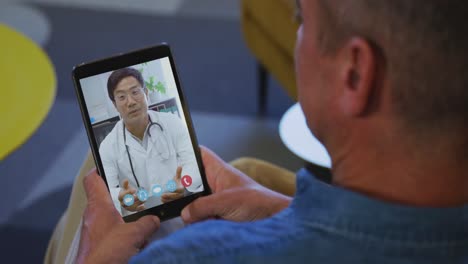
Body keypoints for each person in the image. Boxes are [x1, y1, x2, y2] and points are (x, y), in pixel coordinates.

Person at [49, 0, 468, 262]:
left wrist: (93, 259)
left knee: (84, 203)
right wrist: (285, 212)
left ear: (354, 73)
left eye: (301, 17)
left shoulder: (196, 256)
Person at [99, 67, 203, 216]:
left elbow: (194, 162)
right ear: (115, 105)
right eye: (121, 97)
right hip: (141, 218)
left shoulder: (173, 122)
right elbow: (107, 191)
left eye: (135, 92)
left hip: (181, 208)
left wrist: (185, 184)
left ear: (146, 93)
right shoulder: (107, 147)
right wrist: (121, 197)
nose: (131, 102)